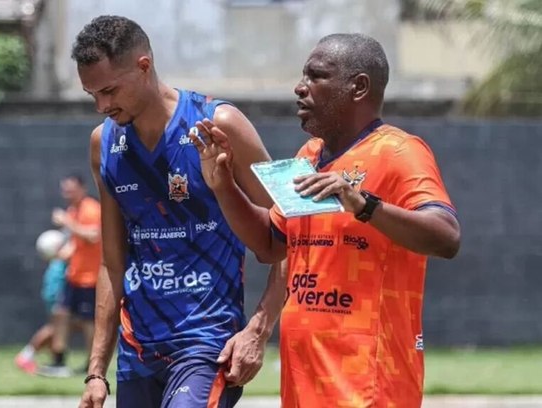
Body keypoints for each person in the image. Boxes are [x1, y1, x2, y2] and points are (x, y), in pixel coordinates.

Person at [191, 33, 461, 407]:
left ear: (359, 87)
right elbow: (271, 244)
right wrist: (223, 186)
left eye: (316, 76)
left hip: (368, 387)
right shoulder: (311, 154)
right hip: (305, 383)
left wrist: (363, 204)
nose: (300, 88)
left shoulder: (399, 152)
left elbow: (446, 237)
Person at [73, 15, 286, 408]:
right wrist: (96, 371)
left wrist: (259, 327)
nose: (102, 106)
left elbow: (296, 230)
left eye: (109, 90)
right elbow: (112, 264)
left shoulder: (217, 123)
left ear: (143, 66)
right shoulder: (103, 143)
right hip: (138, 347)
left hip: (206, 344)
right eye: (92, 96)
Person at [38, 174, 103, 377]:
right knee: (60, 313)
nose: (67, 193)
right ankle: (58, 360)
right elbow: (77, 244)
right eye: (64, 189)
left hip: (90, 278)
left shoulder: (91, 209)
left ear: (82, 188)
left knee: (88, 322)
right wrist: (60, 255)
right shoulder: (73, 211)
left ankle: (92, 364)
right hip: (73, 275)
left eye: (71, 189)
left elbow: (93, 236)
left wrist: (67, 222)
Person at [15, 236, 74, 374]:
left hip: (54, 295)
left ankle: (55, 361)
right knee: (55, 328)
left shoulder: (56, 263)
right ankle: (25, 356)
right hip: (56, 295)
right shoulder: (60, 261)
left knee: (58, 329)